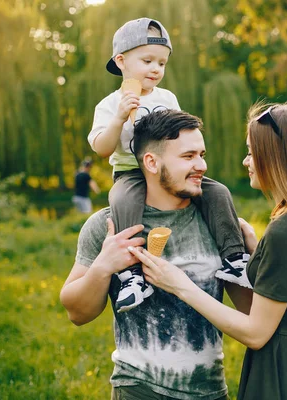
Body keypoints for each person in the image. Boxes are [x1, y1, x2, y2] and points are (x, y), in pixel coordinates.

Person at [60, 108, 287, 400]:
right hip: (137, 391)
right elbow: (77, 313)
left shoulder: (220, 227)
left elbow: (253, 311)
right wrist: (103, 267)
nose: (202, 165)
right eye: (188, 156)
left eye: (202, 154)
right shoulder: (110, 228)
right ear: (152, 162)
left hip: (210, 392)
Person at [88, 17, 249, 313]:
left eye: (161, 63)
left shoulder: (167, 98)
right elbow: (101, 148)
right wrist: (119, 119)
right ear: (121, 61)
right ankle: (132, 276)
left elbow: (180, 137)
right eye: (147, 60)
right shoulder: (109, 104)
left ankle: (234, 258)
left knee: (218, 192)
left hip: (168, 171)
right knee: (122, 200)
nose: (155, 69)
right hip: (131, 172)